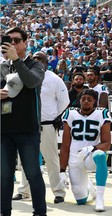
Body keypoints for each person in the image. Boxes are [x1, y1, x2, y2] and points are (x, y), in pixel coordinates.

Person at [12, 51, 69, 204]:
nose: (37, 60)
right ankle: (24, 191)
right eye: (35, 58)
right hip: (28, 125)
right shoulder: (26, 76)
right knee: (26, 160)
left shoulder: (54, 79)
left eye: (40, 59)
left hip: (47, 125)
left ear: (46, 62)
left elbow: (64, 101)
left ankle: (58, 192)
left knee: (51, 160)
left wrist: (54, 116)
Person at [0, 27, 46, 216]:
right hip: (4, 131)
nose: (13, 43)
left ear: (26, 43)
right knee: (4, 176)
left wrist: (17, 60)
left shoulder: (36, 65)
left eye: (17, 40)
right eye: (8, 40)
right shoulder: (2, 67)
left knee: (33, 174)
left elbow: (31, 81)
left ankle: (39, 213)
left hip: (28, 130)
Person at [59, 89, 112, 212]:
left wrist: (93, 148)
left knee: (100, 155)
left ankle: (100, 197)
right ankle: (89, 187)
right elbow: (65, 145)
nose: (86, 102)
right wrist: (62, 170)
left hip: (90, 155)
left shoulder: (102, 113)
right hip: (75, 158)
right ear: (79, 101)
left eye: (89, 99)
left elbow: (106, 143)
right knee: (81, 200)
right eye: (83, 99)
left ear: (94, 101)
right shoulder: (70, 114)